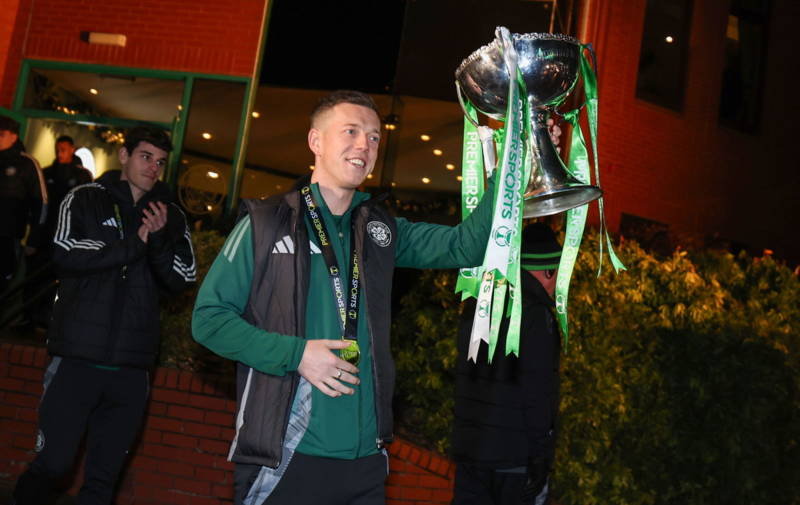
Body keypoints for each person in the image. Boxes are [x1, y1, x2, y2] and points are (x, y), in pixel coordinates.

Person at [192, 90, 495, 505]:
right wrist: (297, 354)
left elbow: (466, 246)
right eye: (350, 131)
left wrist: (510, 175)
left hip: (367, 461)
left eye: (373, 137)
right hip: (288, 455)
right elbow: (208, 319)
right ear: (316, 142)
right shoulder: (266, 224)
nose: (364, 145)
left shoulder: (379, 230)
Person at [12, 126, 197, 505]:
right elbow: (67, 253)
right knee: (54, 463)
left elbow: (182, 278)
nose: (153, 167)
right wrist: (135, 244)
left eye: (160, 162)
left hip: (132, 367)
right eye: (146, 157)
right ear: (125, 156)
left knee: (103, 480)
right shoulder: (85, 198)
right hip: (77, 356)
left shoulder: (170, 215)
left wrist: (158, 240)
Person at [451, 222, 562, 505]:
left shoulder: (478, 303)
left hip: (471, 452)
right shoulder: (537, 316)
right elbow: (537, 392)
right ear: (548, 271)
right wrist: (541, 455)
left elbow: (465, 377)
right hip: (513, 459)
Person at [24, 135, 93, 327]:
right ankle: (31, 318)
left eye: (64, 148)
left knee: (58, 280)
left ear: (72, 149)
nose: (60, 152)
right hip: (46, 235)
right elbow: (39, 205)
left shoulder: (82, 176)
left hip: (68, 238)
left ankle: (51, 319)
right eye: (58, 148)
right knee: (37, 278)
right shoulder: (47, 173)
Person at [0, 115, 47, 294]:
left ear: (13, 137)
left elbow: (41, 203)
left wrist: (34, 239)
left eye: (1, 134)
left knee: (5, 288)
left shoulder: (27, 164)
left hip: (8, 237)